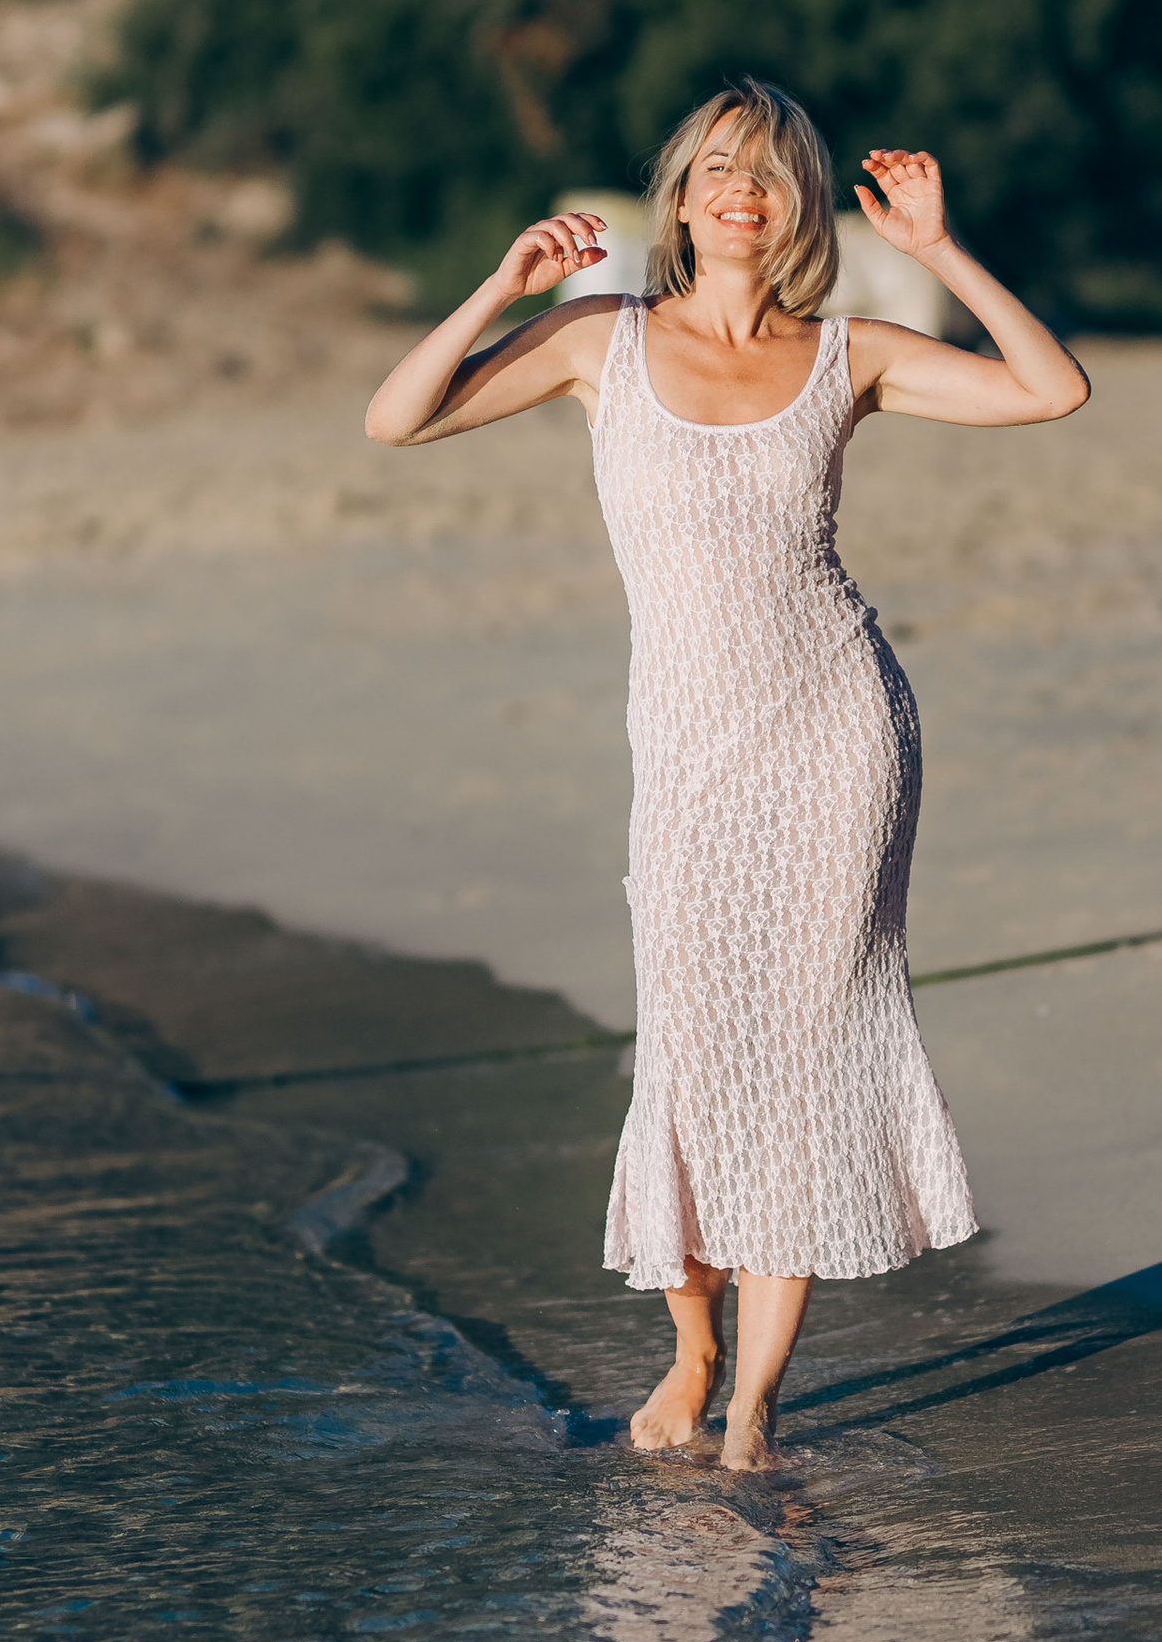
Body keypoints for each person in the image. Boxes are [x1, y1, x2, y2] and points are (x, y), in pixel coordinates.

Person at [365, 80, 1089, 1471]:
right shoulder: (598, 344)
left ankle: (757, 1399)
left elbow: (1053, 390)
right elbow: (398, 420)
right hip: (690, 751)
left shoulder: (848, 355)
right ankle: (691, 1344)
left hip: (838, 732)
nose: (739, 190)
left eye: (767, 171)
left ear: (800, 204)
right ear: (680, 200)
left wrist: (939, 251)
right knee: (696, 1048)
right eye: (713, 170)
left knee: (810, 1051)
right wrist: (503, 285)